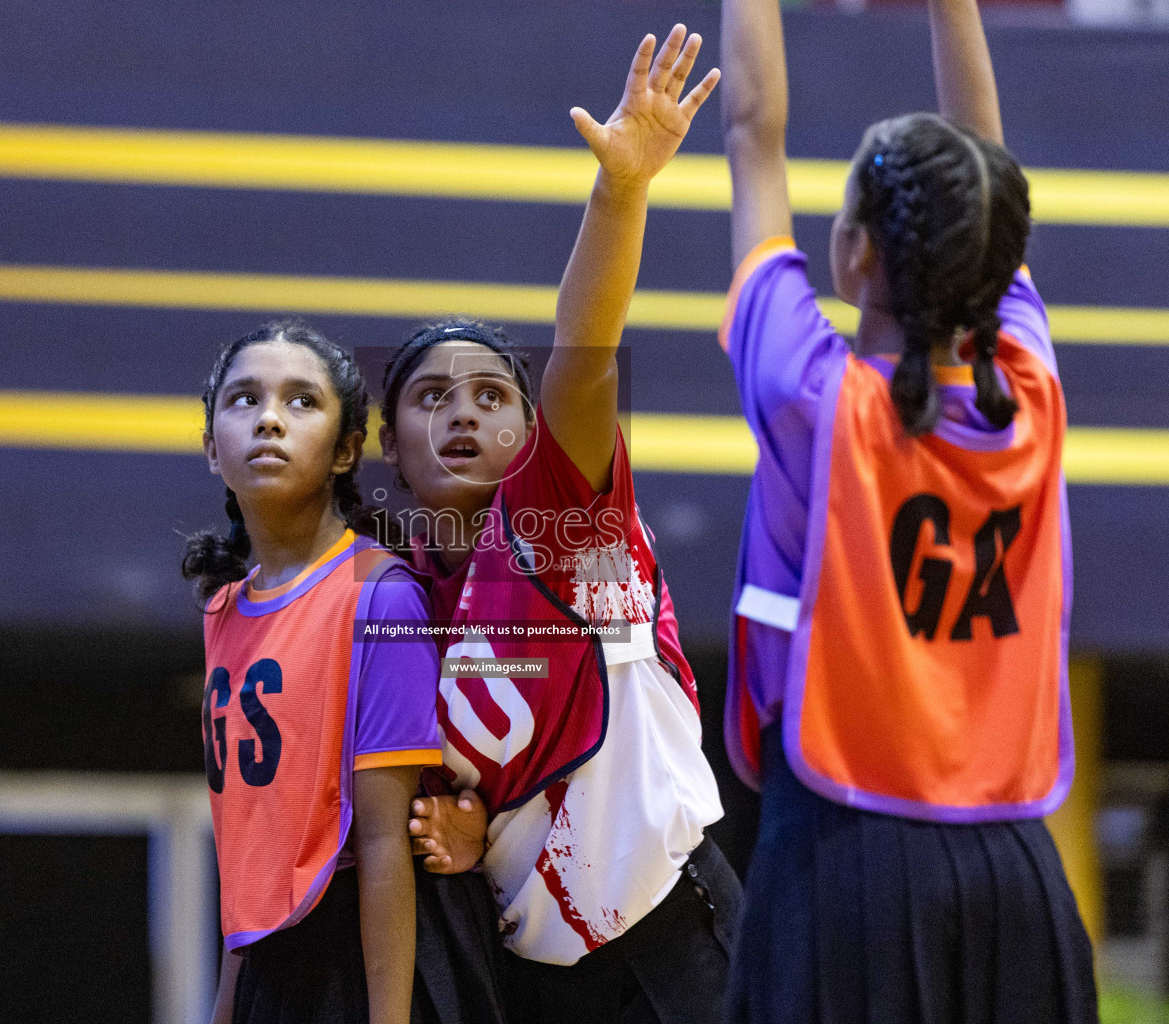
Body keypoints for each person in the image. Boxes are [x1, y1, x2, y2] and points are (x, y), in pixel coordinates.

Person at [717, 0, 1098, 1016]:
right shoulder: (1033, 387)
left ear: (853, 256)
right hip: (1018, 878)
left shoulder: (815, 395)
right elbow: (984, 159)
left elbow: (752, 133)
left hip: (848, 865)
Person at [391, 26, 739, 1024]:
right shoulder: (388, 592)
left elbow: (583, 359)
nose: (461, 413)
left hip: (674, 943)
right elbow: (425, 803)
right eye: (430, 397)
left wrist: (620, 190)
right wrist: (456, 824)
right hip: (534, 977)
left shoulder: (551, 507)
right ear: (393, 452)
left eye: (489, 394)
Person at [185, 322, 451, 1024]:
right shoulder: (222, 615)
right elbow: (250, 853)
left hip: (358, 968)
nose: (268, 417)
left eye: (301, 401)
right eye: (243, 400)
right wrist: (227, 1006)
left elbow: (384, 844)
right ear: (213, 448)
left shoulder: (382, 594)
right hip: (266, 973)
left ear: (346, 449)